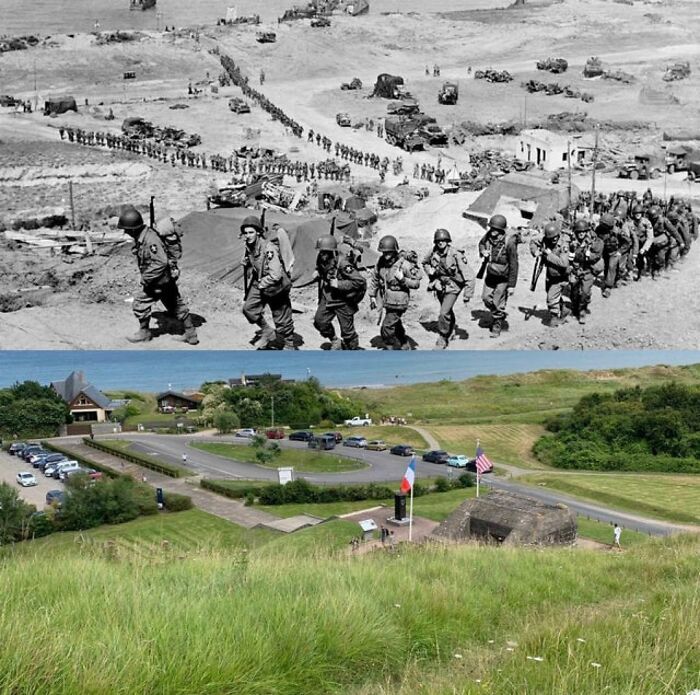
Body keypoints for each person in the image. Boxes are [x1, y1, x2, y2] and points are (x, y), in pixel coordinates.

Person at [117, 208, 199, 345]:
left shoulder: (150, 240)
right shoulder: (145, 236)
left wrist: (146, 278)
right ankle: (191, 335)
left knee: (139, 303)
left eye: (126, 229)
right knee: (176, 305)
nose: (125, 232)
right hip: (166, 278)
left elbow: (161, 261)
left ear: (132, 229)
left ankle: (144, 333)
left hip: (157, 281)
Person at [240, 215, 296, 350]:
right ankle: (267, 331)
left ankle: (289, 344)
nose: (248, 235)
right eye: (246, 233)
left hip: (275, 285)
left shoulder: (269, 249)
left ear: (258, 233)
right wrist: (246, 262)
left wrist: (262, 283)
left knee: (281, 318)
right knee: (249, 309)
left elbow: (276, 275)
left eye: (251, 232)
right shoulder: (249, 246)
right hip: (259, 281)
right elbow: (253, 261)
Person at [422, 228, 475, 349]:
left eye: (443, 240)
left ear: (447, 241)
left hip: (454, 286)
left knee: (443, 312)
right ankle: (451, 329)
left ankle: (443, 336)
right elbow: (424, 262)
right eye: (438, 241)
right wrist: (429, 272)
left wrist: (467, 294)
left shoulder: (456, 254)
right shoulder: (433, 252)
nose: (440, 242)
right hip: (440, 285)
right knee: (447, 310)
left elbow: (469, 275)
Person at [368, 235, 422, 350]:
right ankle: (404, 344)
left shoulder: (404, 265)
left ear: (394, 251)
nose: (386, 255)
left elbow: (416, 283)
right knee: (395, 324)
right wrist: (372, 295)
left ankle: (390, 350)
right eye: (384, 252)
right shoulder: (381, 262)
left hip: (399, 301)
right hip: (387, 299)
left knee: (387, 327)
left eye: (389, 252)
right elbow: (375, 278)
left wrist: (403, 279)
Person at [313, 234, 366, 350]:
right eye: (321, 252)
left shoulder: (343, 263)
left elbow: (360, 281)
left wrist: (339, 284)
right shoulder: (321, 259)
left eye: (325, 252)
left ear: (332, 252)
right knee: (319, 322)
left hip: (343, 301)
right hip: (328, 297)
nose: (322, 255)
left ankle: (352, 352)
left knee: (348, 334)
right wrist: (318, 273)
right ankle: (335, 341)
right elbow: (322, 270)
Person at [478, 214, 518, 337]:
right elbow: (481, 244)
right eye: (491, 228)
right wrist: (482, 251)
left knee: (497, 301)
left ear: (501, 230)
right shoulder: (487, 237)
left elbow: (514, 264)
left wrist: (511, 285)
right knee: (485, 298)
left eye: (495, 229)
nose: (493, 231)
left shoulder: (509, 242)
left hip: (503, 278)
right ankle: (499, 313)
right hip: (490, 275)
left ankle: (497, 322)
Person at [530, 222, 570, 327]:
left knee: (551, 298)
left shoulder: (564, 245)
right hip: (551, 274)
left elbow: (563, 263)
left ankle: (555, 317)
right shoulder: (546, 239)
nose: (553, 240)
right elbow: (533, 241)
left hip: (561, 276)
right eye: (551, 238)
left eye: (555, 237)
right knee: (551, 293)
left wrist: (549, 255)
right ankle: (564, 309)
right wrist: (535, 252)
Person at [568, 219, 604, 324]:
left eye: (583, 232)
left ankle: (582, 310)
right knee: (574, 292)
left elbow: (597, 254)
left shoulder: (592, 241)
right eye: (579, 232)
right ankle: (575, 308)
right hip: (575, 270)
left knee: (585, 292)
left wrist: (589, 255)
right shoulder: (571, 241)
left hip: (587, 270)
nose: (581, 234)